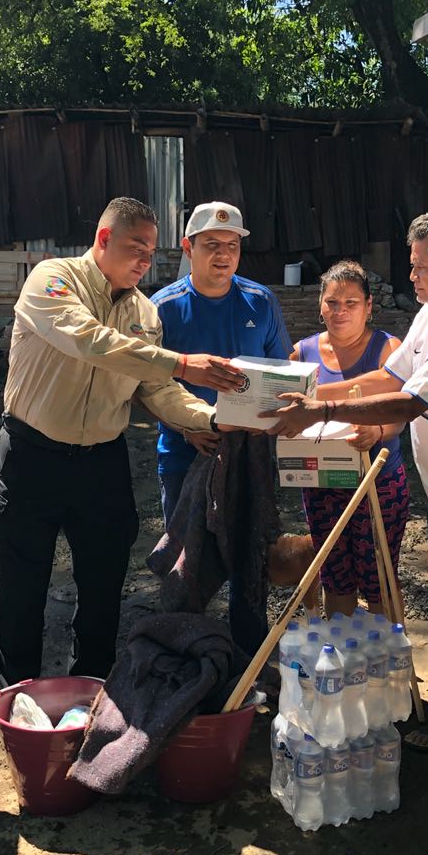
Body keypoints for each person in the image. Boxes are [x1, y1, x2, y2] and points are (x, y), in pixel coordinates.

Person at [262, 209, 428, 753]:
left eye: (418, 265)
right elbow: (390, 375)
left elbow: (408, 401)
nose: (411, 275)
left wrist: (315, 412)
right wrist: (318, 396)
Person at [0, 197, 243, 687]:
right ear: (103, 239)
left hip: (101, 463)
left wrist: (214, 418)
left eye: (151, 253)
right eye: (135, 249)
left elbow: (158, 390)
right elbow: (87, 339)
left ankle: (91, 691)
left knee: (103, 586)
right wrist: (183, 362)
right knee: (20, 588)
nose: (144, 262)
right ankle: (18, 696)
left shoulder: (145, 313)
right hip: (32, 456)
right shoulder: (53, 279)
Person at [151, 201, 290, 656]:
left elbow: (281, 367)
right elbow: (143, 383)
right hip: (188, 450)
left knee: (250, 555)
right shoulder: (164, 309)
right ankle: (187, 656)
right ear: (188, 248)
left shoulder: (259, 300)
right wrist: (187, 425)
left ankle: (249, 659)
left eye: (231, 246)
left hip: (250, 452)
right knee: (189, 560)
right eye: (211, 245)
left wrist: (269, 420)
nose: (223, 255)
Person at [288, 260, 409, 618]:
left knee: (379, 580)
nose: (341, 311)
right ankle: (342, 661)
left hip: (377, 483)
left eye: (351, 303)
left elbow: (402, 412)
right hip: (323, 483)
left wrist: (379, 431)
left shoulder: (388, 350)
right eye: (332, 302)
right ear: (320, 305)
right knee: (335, 579)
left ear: (369, 307)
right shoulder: (302, 353)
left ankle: (386, 663)